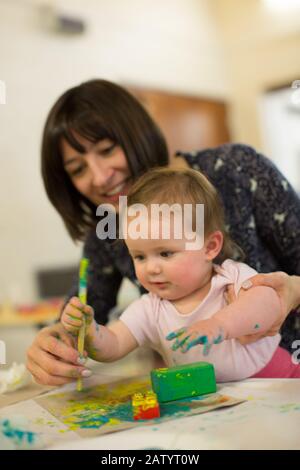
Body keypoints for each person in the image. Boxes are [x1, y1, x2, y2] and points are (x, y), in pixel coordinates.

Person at [26, 79, 300, 385]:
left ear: (212, 246)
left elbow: (262, 297)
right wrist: (59, 339)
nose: (100, 178)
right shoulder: (108, 225)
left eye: (107, 149)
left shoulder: (237, 170)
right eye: (77, 169)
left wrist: (293, 290)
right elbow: (90, 320)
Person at [61, 168, 300, 381]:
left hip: (281, 382)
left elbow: (269, 301)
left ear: (209, 247)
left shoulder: (229, 278)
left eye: (165, 253)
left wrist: (219, 324)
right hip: (224, 406)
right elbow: (114, 344)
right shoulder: (149, 309)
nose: (151, 268)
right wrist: (90, 331)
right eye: (140, 257)